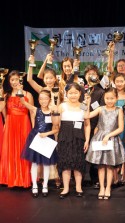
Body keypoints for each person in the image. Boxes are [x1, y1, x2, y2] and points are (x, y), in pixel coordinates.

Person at [27, 55, 63, 189]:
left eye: (51, 78)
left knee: (56, 150)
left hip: (56, 121)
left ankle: (57, 176)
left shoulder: (59, 90)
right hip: (44, 124)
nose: (48, 80)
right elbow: (30, 79)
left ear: (55, 78)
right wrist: (31, 64)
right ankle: (43, 178)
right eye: (46, 78)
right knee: (44, 151)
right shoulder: (42, 90)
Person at [85, 87, 125, 200]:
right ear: (104, 98)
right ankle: (101, 188)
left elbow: (121, 128)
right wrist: (87, 103)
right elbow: (86, 116)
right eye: (107, 98)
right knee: (101, 165)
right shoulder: (100, 109)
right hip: (100, 139)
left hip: (111, 139)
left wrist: (109, 135)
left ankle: (108, 187)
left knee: (109, 166)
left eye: (112, 98)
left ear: (116, 98)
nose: (109, 100)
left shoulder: (119, 110)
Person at [20, 89, 59, 197]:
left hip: (47, 139)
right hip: (36, 138)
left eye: (45, 98)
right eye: (41, 98)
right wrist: (20, 88)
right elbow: (23, 101)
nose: (43, 101)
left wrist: (47, 134)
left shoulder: (53, 112)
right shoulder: (35, 110)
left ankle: (45, 185)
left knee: (46, 164)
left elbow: (56, 129)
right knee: (34, 163)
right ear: (38, 100)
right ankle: (35, 186)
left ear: (49, 100)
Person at [0, 70, 34, 188]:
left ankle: (24, 179)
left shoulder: (28, 94)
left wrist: (34, 128)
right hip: (10, 124)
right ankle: (12, 178)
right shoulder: (6, 95)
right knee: (11, 150)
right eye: (12, 80)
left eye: (16, 79)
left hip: (24, 123)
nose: (14, 82)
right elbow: (3, 111)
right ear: (9, 81)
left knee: (23, 150)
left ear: (21, 80)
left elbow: (32, 112)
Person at [56, 83, 90, 199]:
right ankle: (65, 188)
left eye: (76, 92)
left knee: (78, 163)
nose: (73, 95)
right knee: (65, 163)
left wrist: (87, 140)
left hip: (79, 138)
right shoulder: (62, 106)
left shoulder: (83, 106)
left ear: (80, 93)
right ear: (66, 93)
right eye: (70, 93)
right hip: (64, 138)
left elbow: (87, 125)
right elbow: (56, 124)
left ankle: (78, 187)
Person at [83, 64, 105, 189]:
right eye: (89, 74)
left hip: (96, 125)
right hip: (83, 125)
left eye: (94, 74)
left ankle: (95, 178)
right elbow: (79, 107)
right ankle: (82, 177)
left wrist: (98, 126)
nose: (91, 76)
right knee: (83, 151)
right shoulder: (81, 89)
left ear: (97, 77)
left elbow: (102, 110)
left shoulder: (101, 91)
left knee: (95, 152)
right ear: (85, 76)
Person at [112, 73, 125, 188]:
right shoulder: (110, 95)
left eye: (121, 81)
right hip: (113, 125)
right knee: (114, 150)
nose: (119, 83)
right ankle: (114, 177)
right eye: (117, 81)